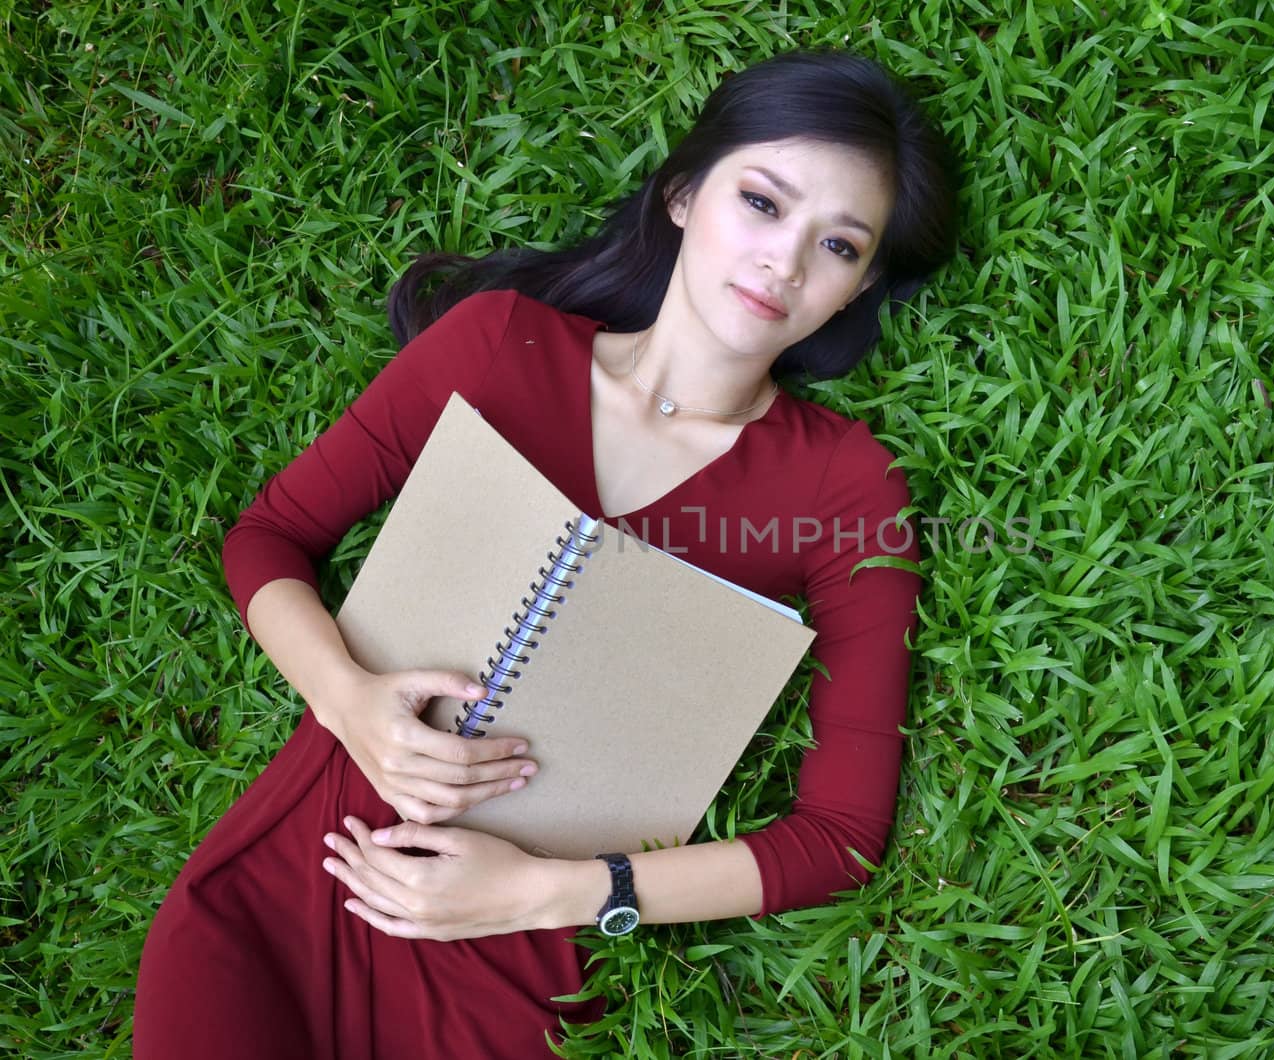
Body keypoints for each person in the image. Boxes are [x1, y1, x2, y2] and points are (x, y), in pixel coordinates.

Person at [133, 46, 960, 1057]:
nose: (784, 261)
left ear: (859, 286)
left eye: (838, 245)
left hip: (503, 959)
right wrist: (349, 702)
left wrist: (558, 890)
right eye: (762, 202)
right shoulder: (495, 347)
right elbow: (270, 536)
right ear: (685, 193)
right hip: (290, 877)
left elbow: (836, 840)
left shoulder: (840, 485)